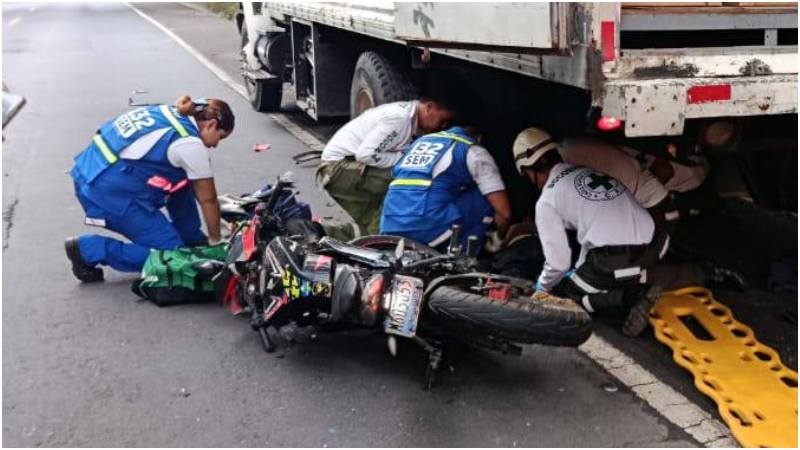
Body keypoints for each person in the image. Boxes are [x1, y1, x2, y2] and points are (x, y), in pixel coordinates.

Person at [512, 128, 670, 337]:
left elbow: (558, 264)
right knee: (585, 276)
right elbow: (592, 234)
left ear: (528, 170)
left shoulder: (547, 200)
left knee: (565, 297)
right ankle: (627, 279)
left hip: (619, 257)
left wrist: (541, 289)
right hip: (655, 243)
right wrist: (578, 271)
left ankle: (632, 296)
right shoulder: (585, 171)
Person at [65, 95, 234, 282]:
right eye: (220, 137)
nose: (216, 145)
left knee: (183, 180)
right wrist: (216, 241)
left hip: (94, 173)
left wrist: (195, 240)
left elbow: (182, 187)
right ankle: (87, 249)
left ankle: (191, 238)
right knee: (171, 257)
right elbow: (208, 200)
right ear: (210, 124)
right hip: (108, 195)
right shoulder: (189, 144)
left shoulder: (171, 113)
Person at [316, 99, 455, 237]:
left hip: (343, 167)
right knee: (405, 181)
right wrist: (403, 159)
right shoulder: (400, 119)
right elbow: (366, 155)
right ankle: (381, 238)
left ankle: (320, 231)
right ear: (428, 108)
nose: (443, 126)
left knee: (371, 225)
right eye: (442, 120)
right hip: (337, 168)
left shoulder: (408, 117)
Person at [380, 126, 511, 252]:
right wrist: (498, 239)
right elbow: (504, 213)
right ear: (479, 138)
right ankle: (464, 258)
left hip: (389, 226)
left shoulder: (419, 143)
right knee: (486, 198)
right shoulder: (473, 150)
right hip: (423, 229)